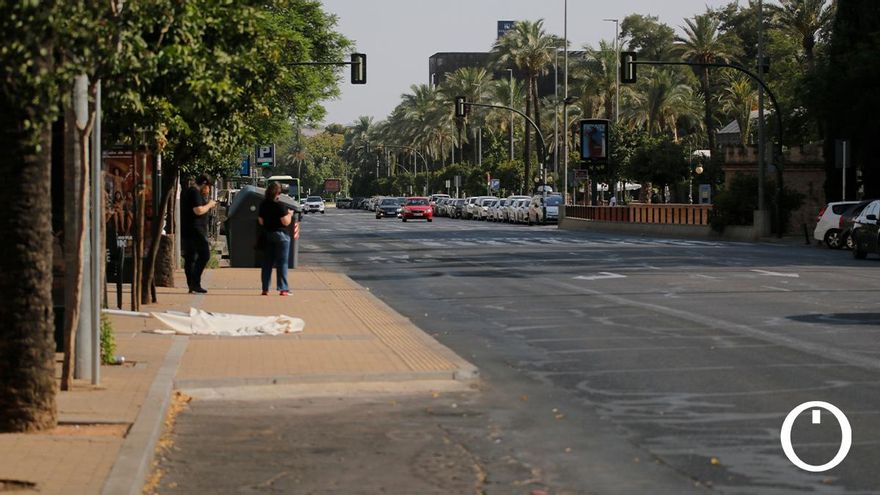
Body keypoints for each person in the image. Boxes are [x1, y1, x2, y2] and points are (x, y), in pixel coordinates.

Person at [181, 175, 216, 294]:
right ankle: (195, 283)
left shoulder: (189, 192)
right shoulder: (195, 192)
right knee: (204, 255)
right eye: (208, 187)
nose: (209, 190)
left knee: (191, 257)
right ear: (204, 184)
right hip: (196, 230)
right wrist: (210, 204)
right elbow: (198, 210)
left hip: (189, 229)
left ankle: (192, 284)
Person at [258, 182, 294, 296]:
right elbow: (286, 222)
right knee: (282, 262)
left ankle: (265, 288)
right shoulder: (280, 206)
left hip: (268, 235)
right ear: (278, 193)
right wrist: (290, 214)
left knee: (267, 263)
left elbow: (261, 221)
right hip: (281, 236)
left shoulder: (263, 205)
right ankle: (283, 289)